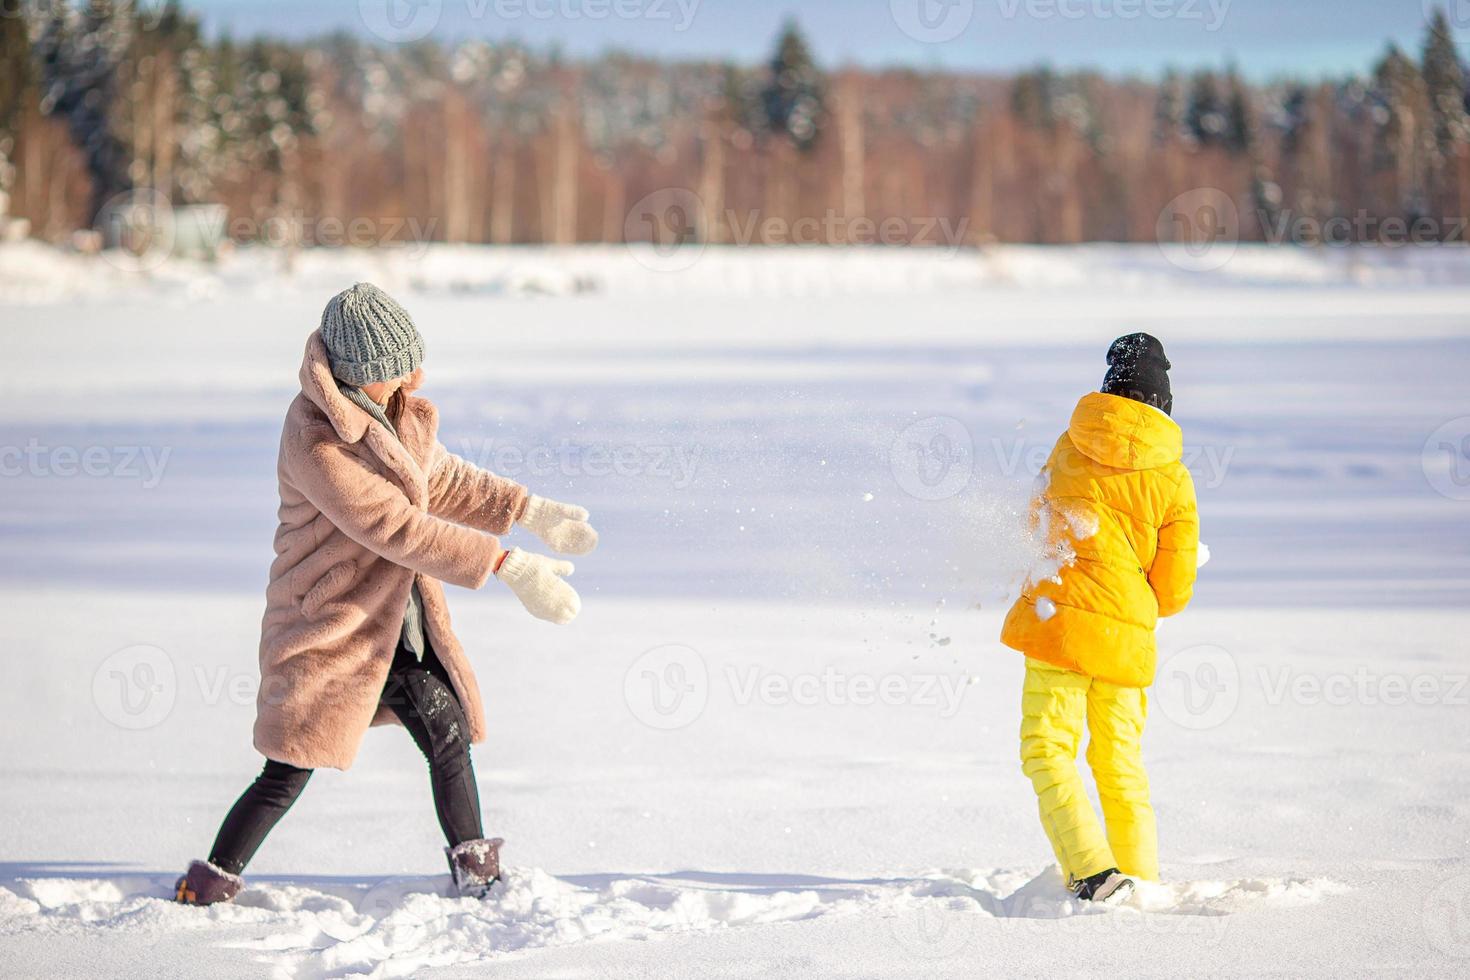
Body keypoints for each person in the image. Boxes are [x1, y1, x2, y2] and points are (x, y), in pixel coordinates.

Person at [175, 283, 597, 905]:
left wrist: (527, 509)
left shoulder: (394, 409)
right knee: (289, 767)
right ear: (357, 375)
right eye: (397, 368)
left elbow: (442, 477)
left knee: (446, 730)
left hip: (400, 622)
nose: (414, 377)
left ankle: (478, 875)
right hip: (332, 625)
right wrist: (506, 564)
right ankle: (209, 883)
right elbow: (396, 527)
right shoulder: (314, 439)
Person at [1000, 332, 1199, 904]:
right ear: (1162, 405)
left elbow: (1032, 524)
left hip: (1057, 624)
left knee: (1046, 747)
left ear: (1109, 391)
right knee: (1119, 762)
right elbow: (1174, 590)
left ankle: (1090, 871)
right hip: (1125, 640)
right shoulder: (1174, 479)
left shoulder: (1068, 447)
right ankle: (1143, 881)